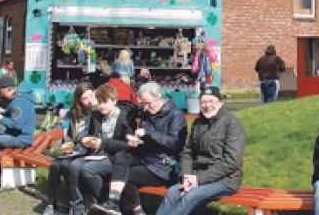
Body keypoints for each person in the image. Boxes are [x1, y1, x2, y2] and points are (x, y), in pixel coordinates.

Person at [157, 86, 245, 215]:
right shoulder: (198, 123)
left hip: (225, 180)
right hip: (196, 176)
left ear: (221, 103)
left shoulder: (232, 123)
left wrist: (199, 179)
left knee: (191, 196)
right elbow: (188, 152)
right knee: (172, 192)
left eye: (211, 101)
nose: (207, 105)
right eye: (203, 102)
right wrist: (186, 175)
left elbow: (232, 161)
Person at [111, 82, 188, 215]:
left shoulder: (176, 114)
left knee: (126, 176)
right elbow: (129, 112)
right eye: (143, 104)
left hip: (164, 165)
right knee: (120, 159)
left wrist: (148, 134)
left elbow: (175, 143)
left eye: (148, 103)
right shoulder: (147, 112)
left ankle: (136, 211)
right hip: (146, 158)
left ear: (159, 98)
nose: (145, 108)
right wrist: (133, 138)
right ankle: (113, 203)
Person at [76, 83, 137, 215]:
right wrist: (87, 140)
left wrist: (102, 143)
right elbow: (93, 134)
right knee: (78, 166)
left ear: (114, 101)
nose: (102, 106)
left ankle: (104, 203)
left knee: (87, 169)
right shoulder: (97, 115)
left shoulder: (125, 117)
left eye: (105, 102)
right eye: (99, 102)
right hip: (100, 154)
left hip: (120, 159)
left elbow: (127, 145)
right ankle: (98, 204)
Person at [43, 82, 97, 215]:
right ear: (79, 100)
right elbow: (72, 136)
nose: (88, 100)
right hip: (77, 149)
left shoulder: (96, 112)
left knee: (68, 165)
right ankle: (52, 203)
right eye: (84, 98)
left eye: (90, 96)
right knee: (55, 164)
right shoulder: (75, 113)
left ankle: (75, 204)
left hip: (90, 150)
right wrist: (68, 144)